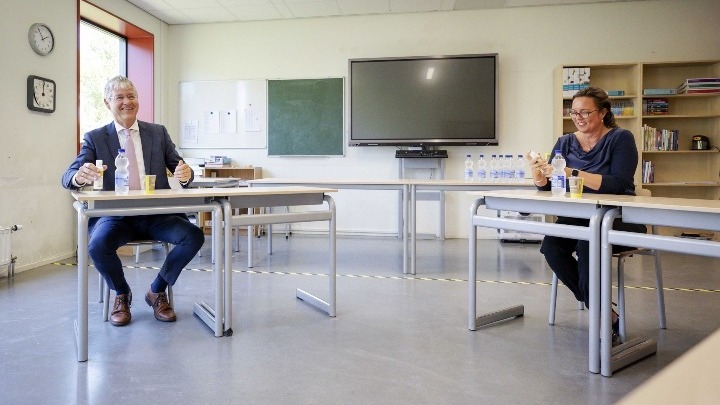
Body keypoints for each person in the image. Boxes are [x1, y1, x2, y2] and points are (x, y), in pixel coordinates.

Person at [62, 76, 205, 326]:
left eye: (132, 96)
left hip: (157, 215)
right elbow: (68, 175)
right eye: (119, 97)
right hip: (116, 216)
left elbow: (181, 168)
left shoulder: (158, 133)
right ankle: (121, 293)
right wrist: (78, 176)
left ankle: (156, 291)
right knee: (96, 246)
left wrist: (186, 174)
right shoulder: (95, 138)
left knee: (194, 236)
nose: (127, 102)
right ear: (107, 103)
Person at [527, 86, 646, 342]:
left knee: (587, 243)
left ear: (602, 113)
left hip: (618, 219)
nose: (578, 117)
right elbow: (550, 187)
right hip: (579, 218)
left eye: (585, 112)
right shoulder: (564, 142)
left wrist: (572, 173)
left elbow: (619, 184)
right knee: (551, 247)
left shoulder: (621, 138)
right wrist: (538, 175)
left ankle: (602, 320)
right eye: (574, 112)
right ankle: (604, 313)